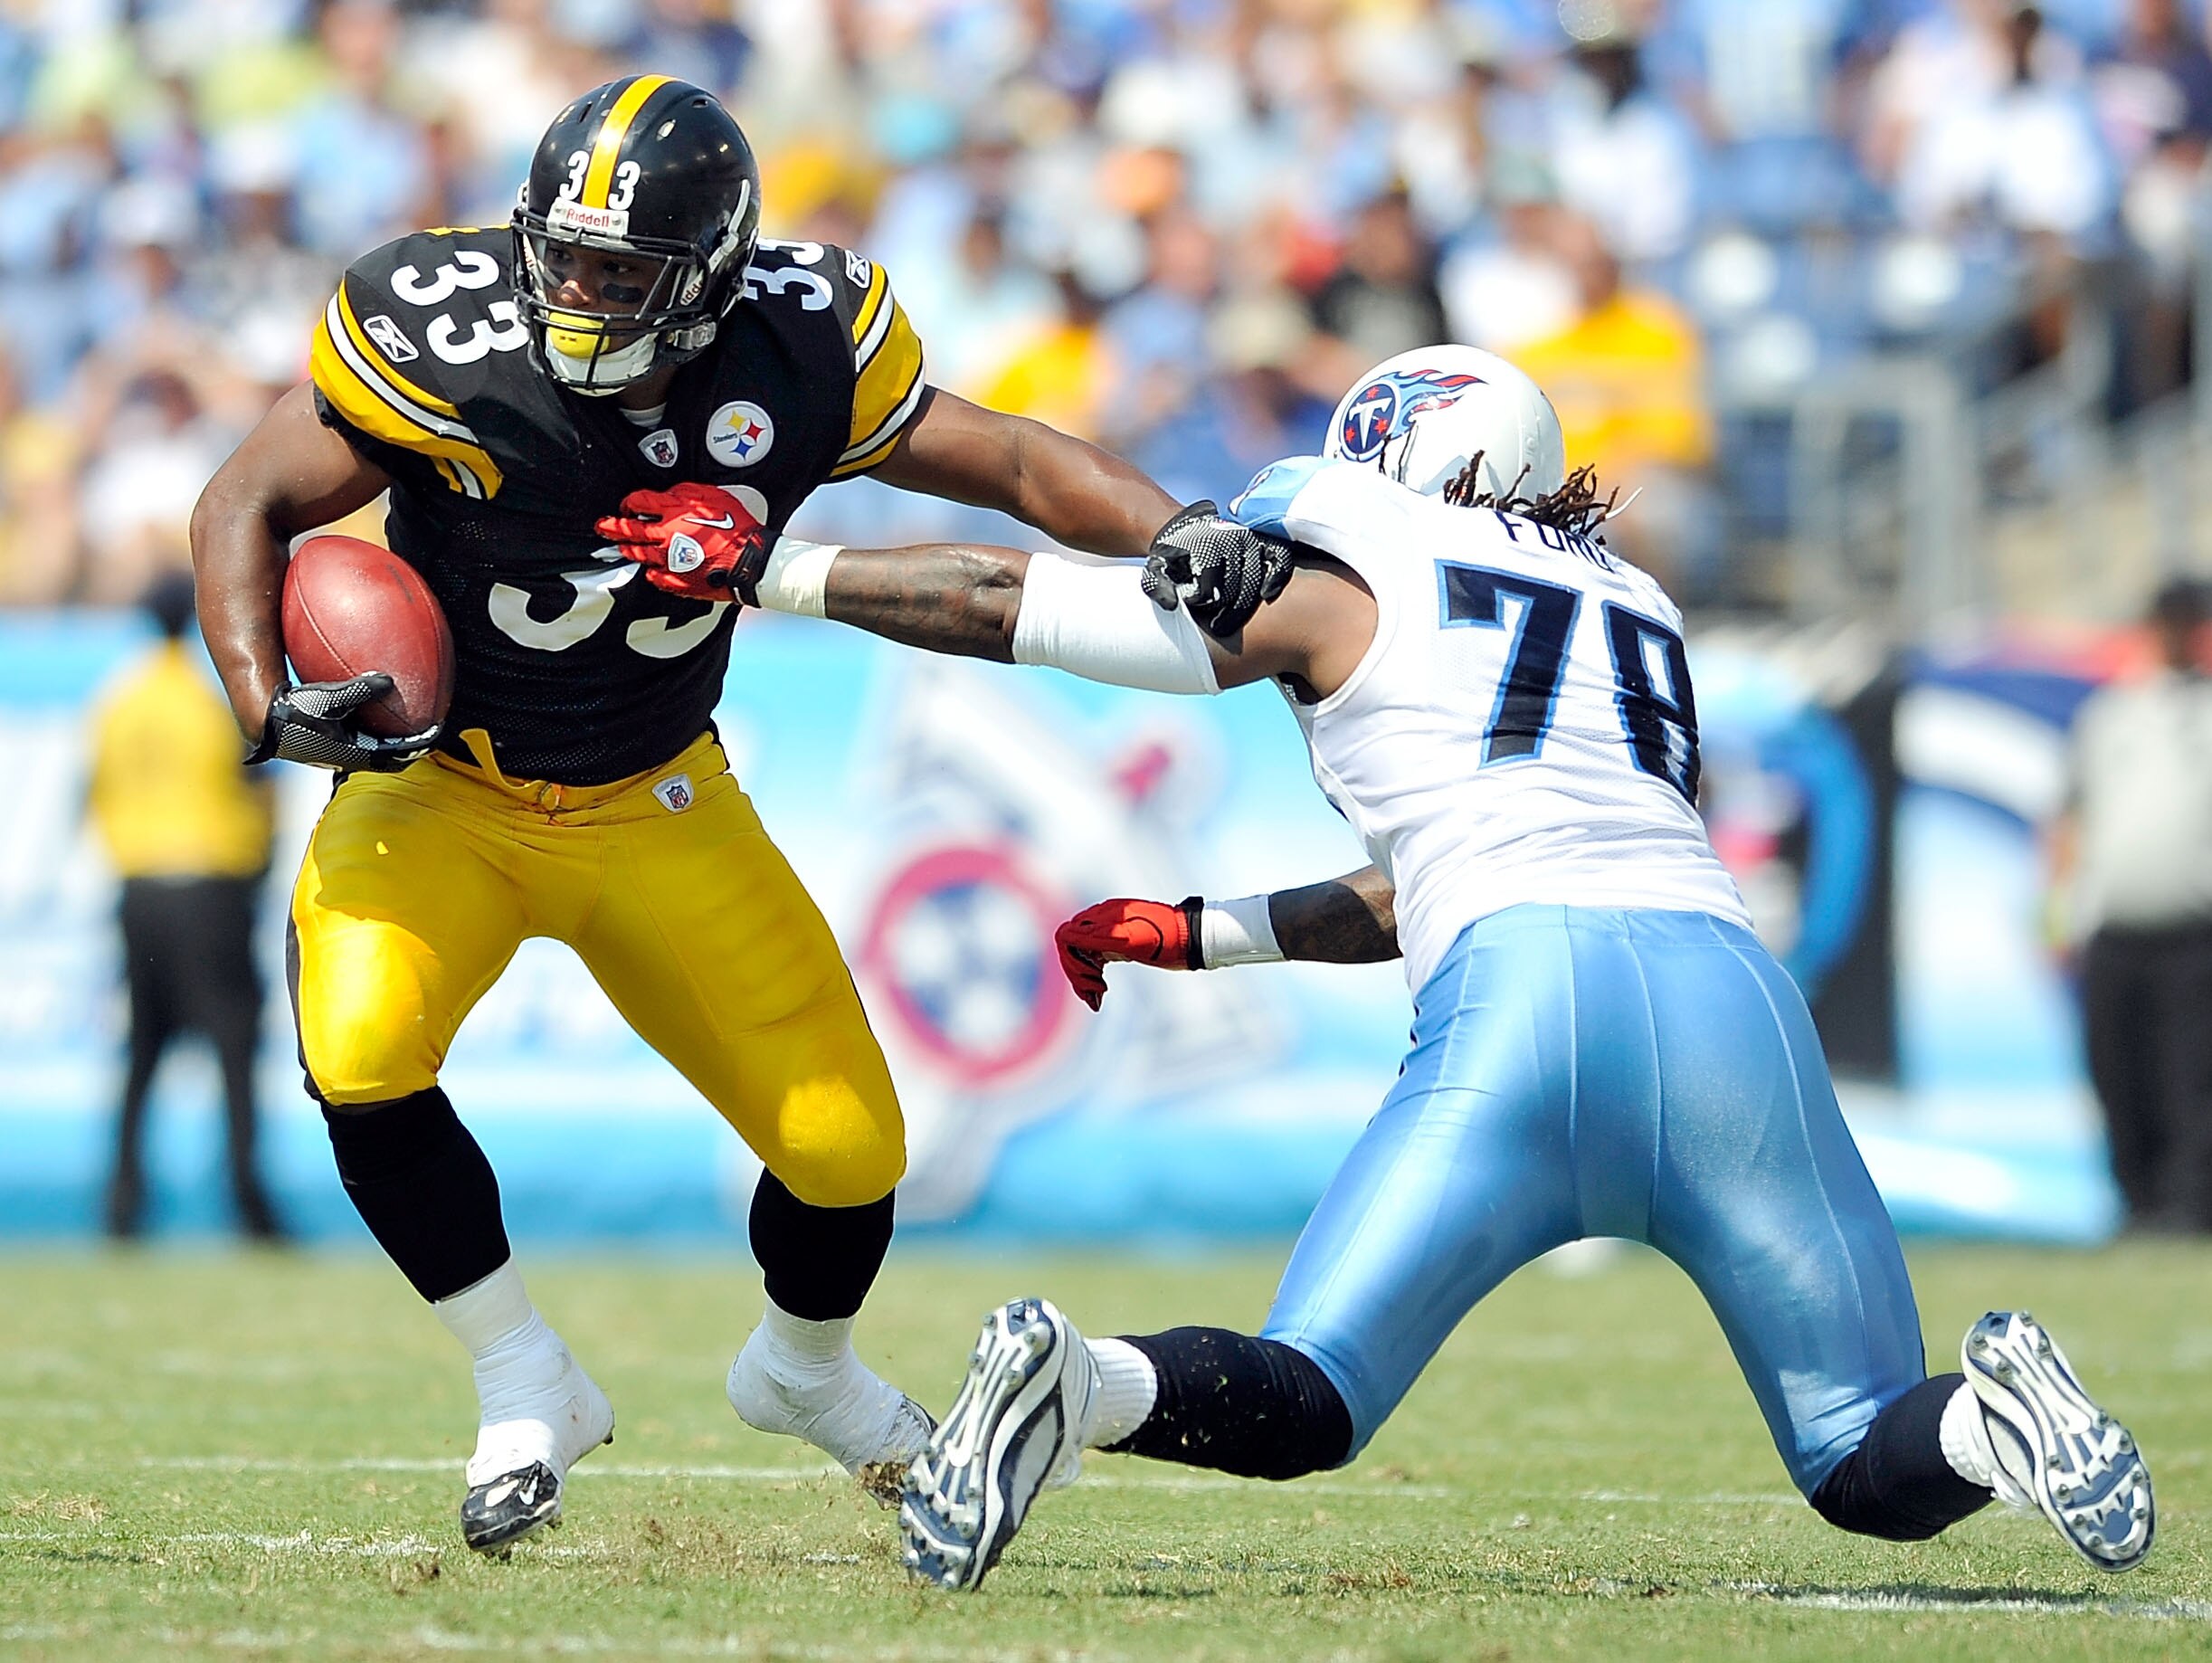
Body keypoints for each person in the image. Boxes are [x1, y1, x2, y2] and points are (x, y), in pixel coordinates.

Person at [697, 344, 2156, 1590]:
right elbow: (1478, 850)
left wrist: (782, 568)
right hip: (1730, 1006)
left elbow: (1018, 603)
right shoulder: (1634, 606)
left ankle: (1080, 1382)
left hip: (1519, 1002)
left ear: (1387, 454)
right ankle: (1995, 1418)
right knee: (1860, 1447)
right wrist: (1205, 928)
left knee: (1317, 1386)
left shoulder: (1352, 542)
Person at [188, 74, 1253, 1555]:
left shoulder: (798, 341)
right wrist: (261, 699)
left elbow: (1009, 458)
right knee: (358, 1048)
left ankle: (803, 1374)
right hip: (450, 788)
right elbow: (246, 497)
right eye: (562, 256)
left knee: (850, 1151)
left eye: (619, 273)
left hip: (658, 794)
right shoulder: (443, 333)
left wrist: (1177, 526)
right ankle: (522, 1375)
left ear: (711, 279)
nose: (577, 293)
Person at [85, 571, 281, 1241]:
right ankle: (248, 1201)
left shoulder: (120, 703)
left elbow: (92, 792)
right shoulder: (209, 698)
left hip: (139, 888)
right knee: (234, 1049)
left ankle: (121, 1204)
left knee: (142, 1050)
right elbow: (255, 784)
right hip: (211, 885)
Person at [2055, 576, 2212, 1233]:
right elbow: (2070, 817)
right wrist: (2059, 913)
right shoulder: (2111, 714)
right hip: (2115, 927)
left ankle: (2190, 1210)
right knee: (2118, 1076)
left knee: (2192, 1082)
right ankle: (2137, 1208)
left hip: (2195, 927)